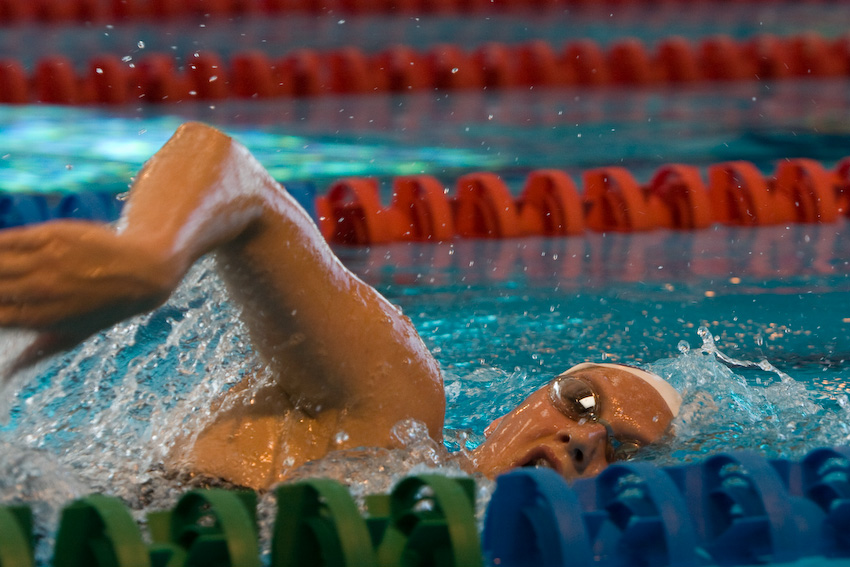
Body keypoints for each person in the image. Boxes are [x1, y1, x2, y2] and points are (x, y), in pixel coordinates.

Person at [0, 122, 680, 489]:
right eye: (581, 402)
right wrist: (146, 259)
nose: (585, 438)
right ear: (519, 405)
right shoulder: (391, 411)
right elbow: (226, 168)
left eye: (622, 452)